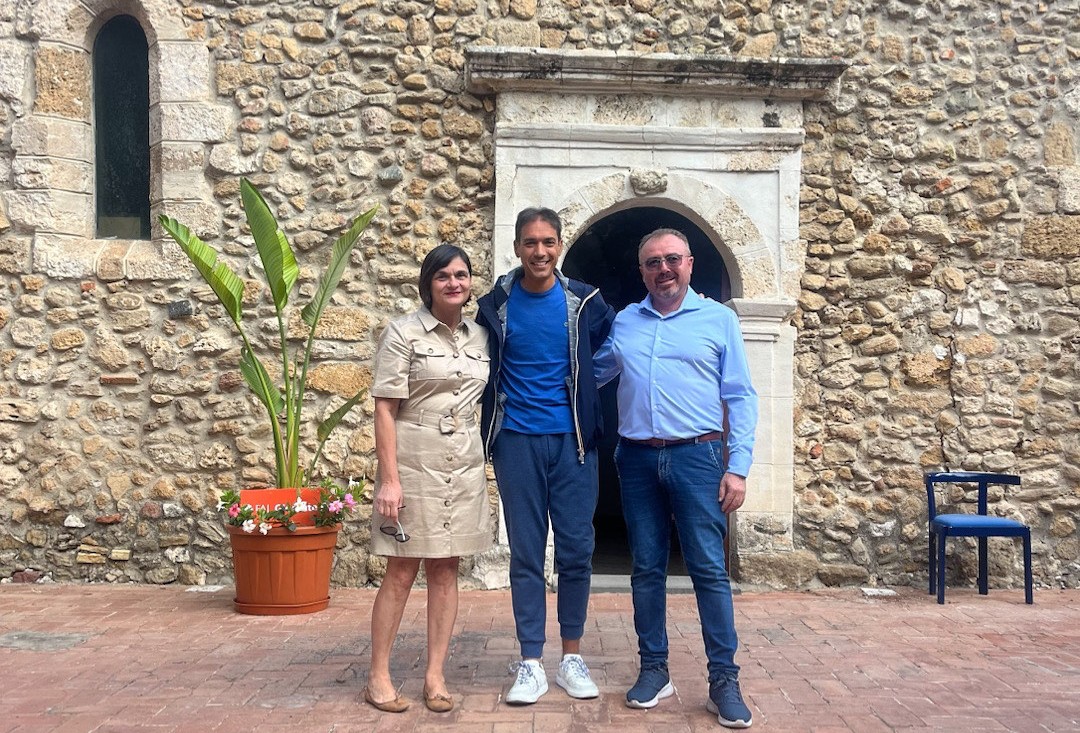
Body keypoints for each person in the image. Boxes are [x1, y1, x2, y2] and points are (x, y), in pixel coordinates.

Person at [594, 228, 758, 728]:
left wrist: (738, 467)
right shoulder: (625, 321)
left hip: (699, 456)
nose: (663, 269)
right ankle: (654, 670)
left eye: (671, 259)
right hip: (637, 459)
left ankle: (723, 681)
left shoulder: (719, 320)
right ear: (642, 271)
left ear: (689, 263)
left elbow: (740, 395)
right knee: (646, 568)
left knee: (708, 569)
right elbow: (592, 373)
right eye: (652, 262)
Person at [477, 207, 615, 705]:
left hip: (574, 443)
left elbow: (611, 353)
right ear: (517, 247)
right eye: (531, 243)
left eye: (548, 242)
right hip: (516, 441)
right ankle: (531, 662)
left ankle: (571, 657)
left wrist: (586, 395)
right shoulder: (494, 305)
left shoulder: (585, 302)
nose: (540, 251)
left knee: (576, 551)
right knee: (526, 553)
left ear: (560, 245)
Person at [366, 244, 491, 714]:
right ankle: (378, 675)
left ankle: (435, 675)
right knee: (401, 568)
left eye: (461, 275)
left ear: (470, 282)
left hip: (463, 461)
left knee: (446, 568)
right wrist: (390, 480)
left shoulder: (482, 337)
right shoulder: (403, 332)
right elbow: (384, 408)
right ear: (428, 284)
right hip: (414, 458)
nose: (453, 283)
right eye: (443, 276)